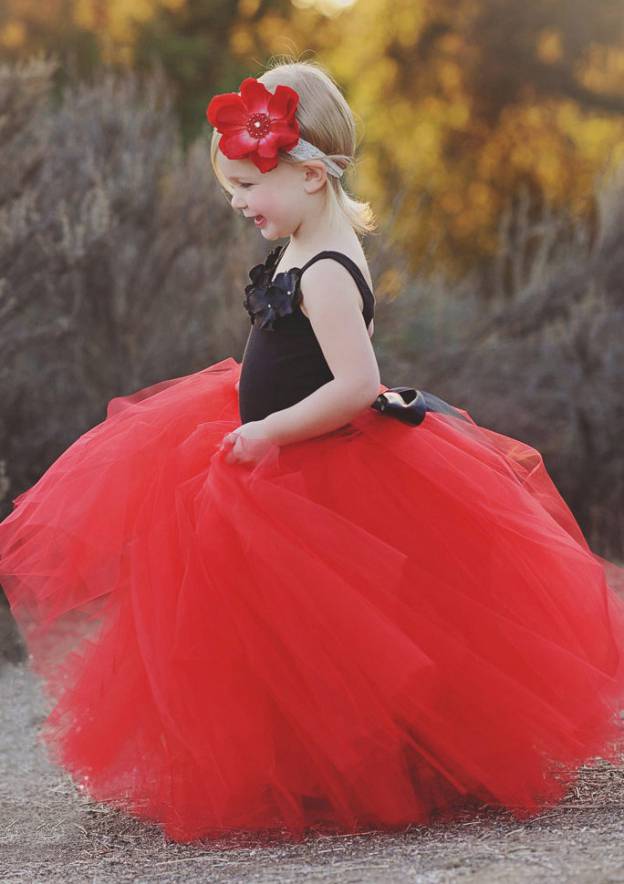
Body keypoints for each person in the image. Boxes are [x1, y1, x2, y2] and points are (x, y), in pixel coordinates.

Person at [1, 59, 624, 847]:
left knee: (340, 631)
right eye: (231, 186)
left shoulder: (328, 268)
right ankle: (291, 762)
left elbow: (359, 383)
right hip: (280, 452)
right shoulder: (301, 248)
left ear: (310, 174)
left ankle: (361, 764)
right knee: (267, 633)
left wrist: (271, 428)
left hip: (314, 467)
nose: (237, 202)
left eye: (247, 185)